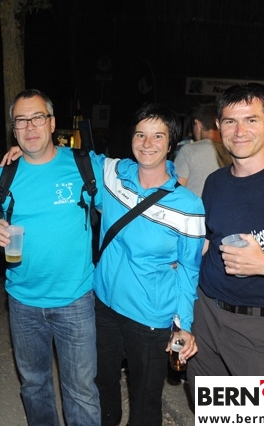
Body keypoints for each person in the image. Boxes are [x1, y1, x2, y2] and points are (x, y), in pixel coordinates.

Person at [0, 89, 103, 426]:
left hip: (76, 299)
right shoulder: (2, 176)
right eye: (21, 120)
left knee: (81, 391)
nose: (30, 126)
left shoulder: (84, 165)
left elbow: (127, 193)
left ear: (52, 123)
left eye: (37, 117)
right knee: (34, 386)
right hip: (23, 302)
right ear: (14, 129)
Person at [187, 83, 264, 399]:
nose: (240, 131)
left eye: (251, 120)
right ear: (218, 127)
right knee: (210, 411)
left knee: (260, 416)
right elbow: (209, 241)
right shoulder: (215, 182)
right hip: (207, 315)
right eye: (231, 121)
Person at [93, 103, 205, 426]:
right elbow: (68, 161)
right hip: (103, 307)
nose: (147, 143)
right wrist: (23, 152)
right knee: (102, 388)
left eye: (158, 136)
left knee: (145, 402)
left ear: (171, 145)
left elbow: (189, 270)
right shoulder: (113, 174)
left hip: (150, 319)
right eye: (140, 134)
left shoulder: (188, 205)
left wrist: (184, 325)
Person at [173, 102, 231, 197]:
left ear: (198, 124)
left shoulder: (188, 150)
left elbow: (177, 190)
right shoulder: (232, 150)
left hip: (194, 206)